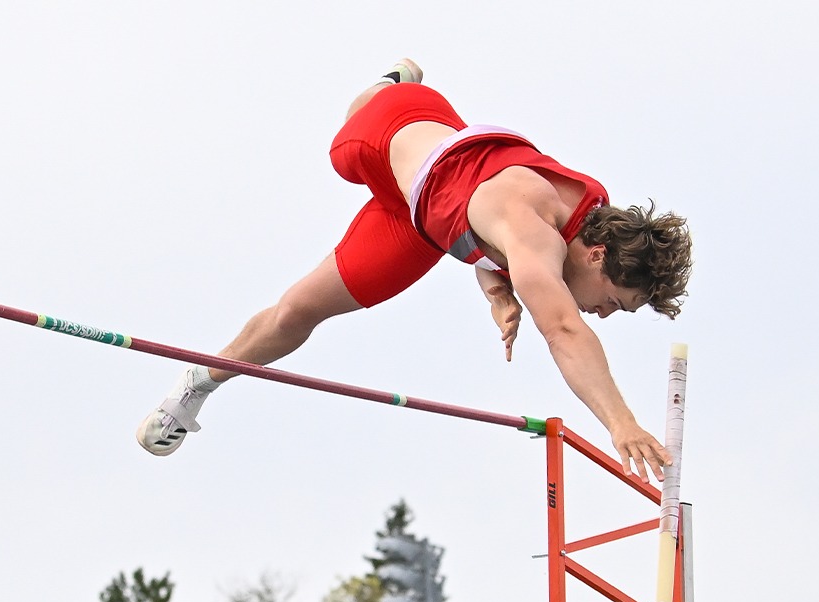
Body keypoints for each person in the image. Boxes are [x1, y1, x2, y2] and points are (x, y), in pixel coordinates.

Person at [139, 59, 692, 478]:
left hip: (417, 225)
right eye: (614, 301)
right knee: (341, 150)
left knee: (296, 312)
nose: (602, 312)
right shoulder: (532, 220)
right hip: (397, 132)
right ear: (597, 256)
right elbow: (565, 330)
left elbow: (485, 240)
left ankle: (195, 386)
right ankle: (392, 79)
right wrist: (621, 422)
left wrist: (496, 289)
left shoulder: (573, 230)